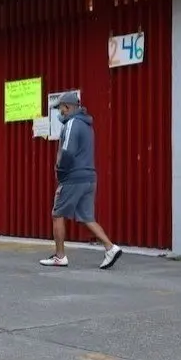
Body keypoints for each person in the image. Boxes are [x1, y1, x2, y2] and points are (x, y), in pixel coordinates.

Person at [40, 92, 123, 270]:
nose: (59, 112)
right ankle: (110, 248)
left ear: (67, 107)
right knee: (86, 217)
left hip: (73, 178)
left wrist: (60, 171)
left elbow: (68, 151)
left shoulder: (72, 123)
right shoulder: (87, 125)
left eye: (60, 108)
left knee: (57, 214)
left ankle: (60, 256)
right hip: (89, 178)